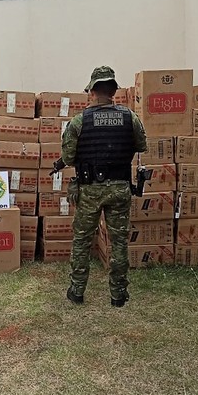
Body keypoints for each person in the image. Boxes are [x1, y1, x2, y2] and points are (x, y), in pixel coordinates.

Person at [60, 65, 147, 307]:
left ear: (92, 91)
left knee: (82, 239)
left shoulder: (79, 122)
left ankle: (77, 291)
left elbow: (67, 158)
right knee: (119, 242)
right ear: (114, 91)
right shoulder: (130, 118)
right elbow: (141, 146)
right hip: (120, 188)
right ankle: (118, 295)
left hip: (89, 190)